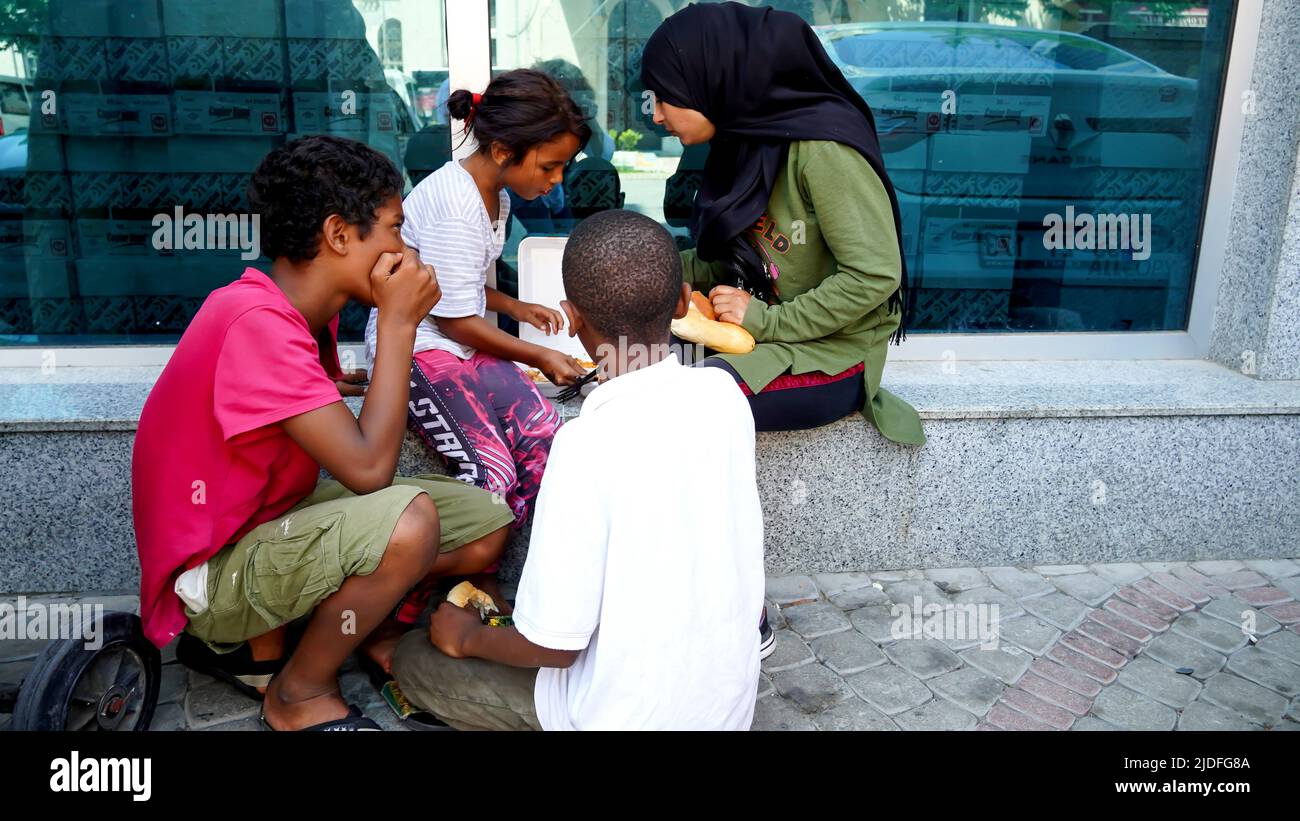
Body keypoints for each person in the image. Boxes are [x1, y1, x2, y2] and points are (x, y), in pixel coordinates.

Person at [131, 135, 515, 731]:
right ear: (339, 235)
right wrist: (397, 323)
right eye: (393, 227)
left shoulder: (300, 315)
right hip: (210, 576)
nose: (404, 246)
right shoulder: (256, 322)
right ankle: (298, 693)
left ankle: (352, 627)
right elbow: (367, 470)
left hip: (270, 519)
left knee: (487, 518)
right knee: (409, 523)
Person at [389, 209, 765, 730]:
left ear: (572, 317)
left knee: (414, 658)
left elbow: (555, 648)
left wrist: (466, 637)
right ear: (683, 301)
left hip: (617, 718)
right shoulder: (726, 395)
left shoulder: (585, 443)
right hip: (724, 710)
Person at [641, 2, 927, 656]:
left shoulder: (822, 149)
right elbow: (724, 258)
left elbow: (875, 277)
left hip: (836, 353)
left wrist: (768, 318)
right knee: (656, 386)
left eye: (662, 98)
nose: (655, 115)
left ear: (709, 81)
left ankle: (742, 609)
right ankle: (673, 583)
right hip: (768, 334)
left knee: (700, 409)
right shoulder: (747, 134)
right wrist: (649, 275)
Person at [363, 69, 594, 638]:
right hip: (416, 347)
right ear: (500, 150)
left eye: (564, 166)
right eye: (549, 166)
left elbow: (459, 284)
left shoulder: (496, 195)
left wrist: (514, 309)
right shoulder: (455, 202)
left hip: (457, 341)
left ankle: (485, 578)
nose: (558, 180)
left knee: (547, 443)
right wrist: (538, 356)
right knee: (491, 473)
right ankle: (393, 604)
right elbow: (451, 317)